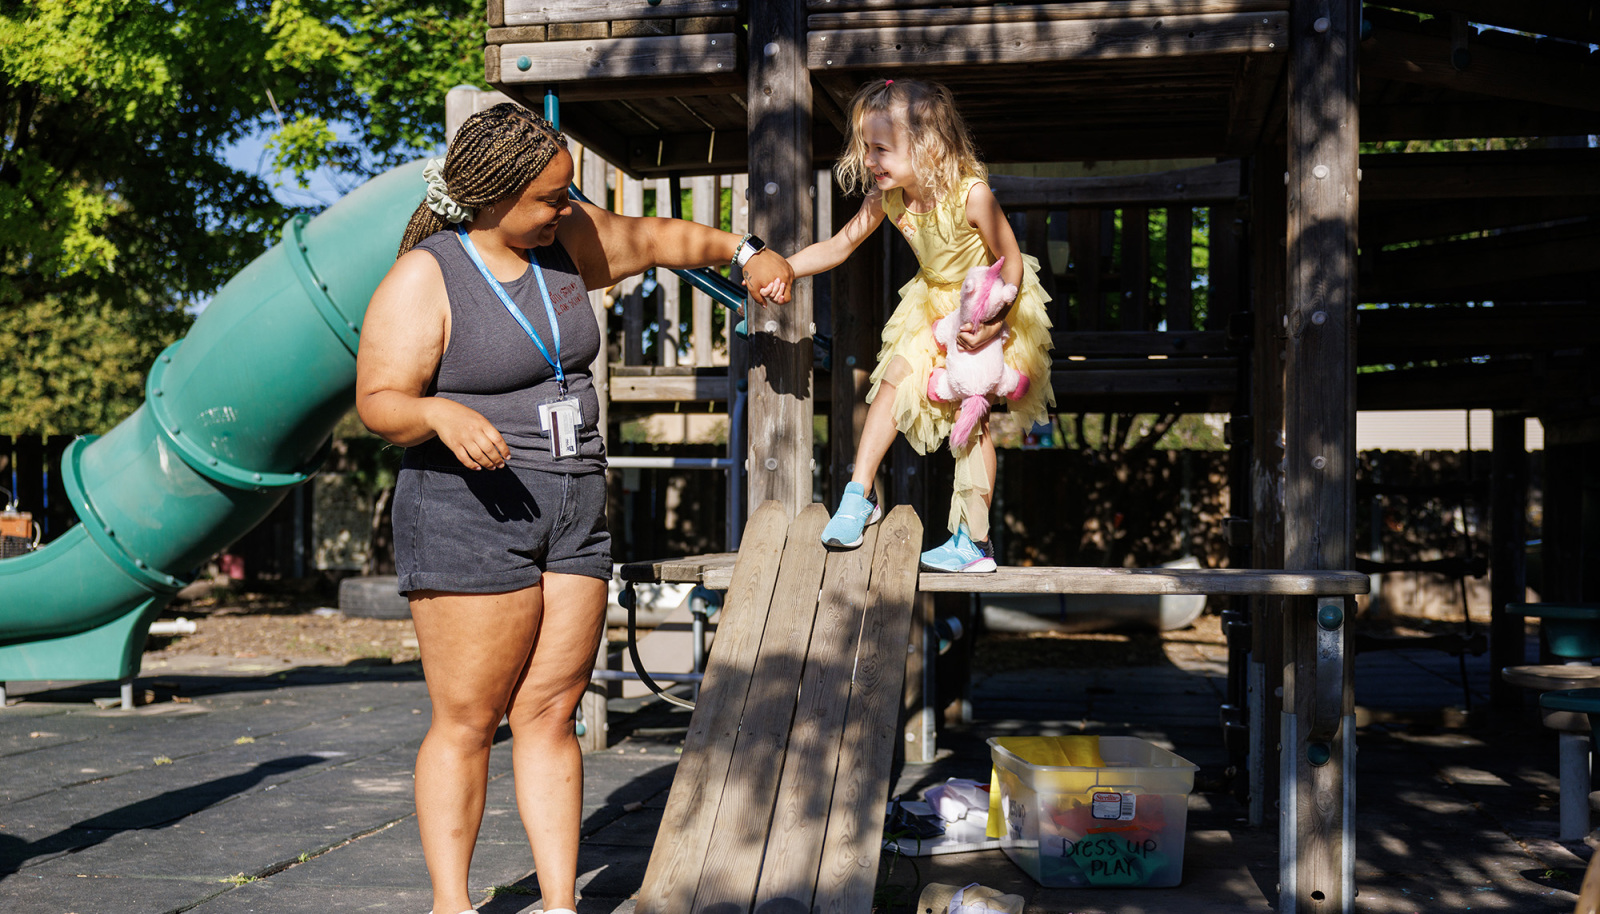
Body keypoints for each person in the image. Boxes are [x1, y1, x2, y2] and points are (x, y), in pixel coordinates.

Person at [355, 102, 793, 914]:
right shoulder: (429, 273)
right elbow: (378, 400)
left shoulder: (564, 245)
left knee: (552, 711)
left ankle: (562, 904)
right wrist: (439, 415)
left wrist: (748, 251)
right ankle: (452, 905)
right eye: (551, 199)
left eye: (569, 195)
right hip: (467, 512)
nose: (568, 210)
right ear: (492, 197)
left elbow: (662, 238)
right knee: (470, 720)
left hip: (572, 510)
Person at [769, 78, 1054, 572]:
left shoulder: (972, 195)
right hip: (931, 306)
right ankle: (860, 496)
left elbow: (1010, 262)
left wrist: (993, 322)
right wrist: (789, 268)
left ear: (926, 146)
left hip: (988, 303)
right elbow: (840, 246)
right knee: (892, 384)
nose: (871, 160)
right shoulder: (888, 199)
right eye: (866, 148)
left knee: (972, 417)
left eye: (880, 148)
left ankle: (974, 542)